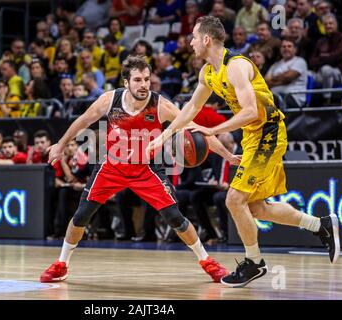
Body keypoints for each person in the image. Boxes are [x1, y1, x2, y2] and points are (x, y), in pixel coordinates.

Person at [147, 16, 340, 287]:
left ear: (206, 39)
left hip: (269, 131)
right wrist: (165, 135)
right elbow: (191, 109)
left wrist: (213, 132)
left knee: (233, 200)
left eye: (193, 37)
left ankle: (254, 262)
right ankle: (320, 225)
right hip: (252, 137)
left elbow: (250, 111)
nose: (189, 42)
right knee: (256, 207)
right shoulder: (207, 73)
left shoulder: (236, 66)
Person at [40, 56, 240, 283]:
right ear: (126, 82)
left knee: (175, 218)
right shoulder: (110, 100)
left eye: (147, 79)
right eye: (137, 80)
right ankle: (61, 264)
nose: (144, 84)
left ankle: (208, 262)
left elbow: (198, 130)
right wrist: (61, 144)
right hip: (112, 166)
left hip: (147, 169)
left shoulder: (161, 105)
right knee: (81, 215)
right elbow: (83, 121)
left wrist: (228, 155)